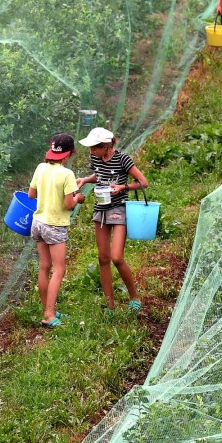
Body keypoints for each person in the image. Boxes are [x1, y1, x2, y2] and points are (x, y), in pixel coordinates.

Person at [76, 126, 148, 312]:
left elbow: (143, 182)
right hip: (101, 209)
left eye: (95, 148)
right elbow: (100, 175)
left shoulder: (123, 159)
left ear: (106, 146)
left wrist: (122, 187)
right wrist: (86, 179)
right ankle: (110, 304)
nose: (91, 151)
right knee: (103, 258)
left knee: (116, 257)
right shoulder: (96, 158)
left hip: (119, 209)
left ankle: (134, 297)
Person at [27, 133, 85, 328]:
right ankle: (49, 315)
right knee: (59, 269)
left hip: (38, 223)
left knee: (44, 267)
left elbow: (31, 194)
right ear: (68, 154)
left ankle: (47, 308)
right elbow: (69, 204)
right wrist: (78, 198)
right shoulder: (67, 174)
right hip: (54, 225)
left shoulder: (41, 167)